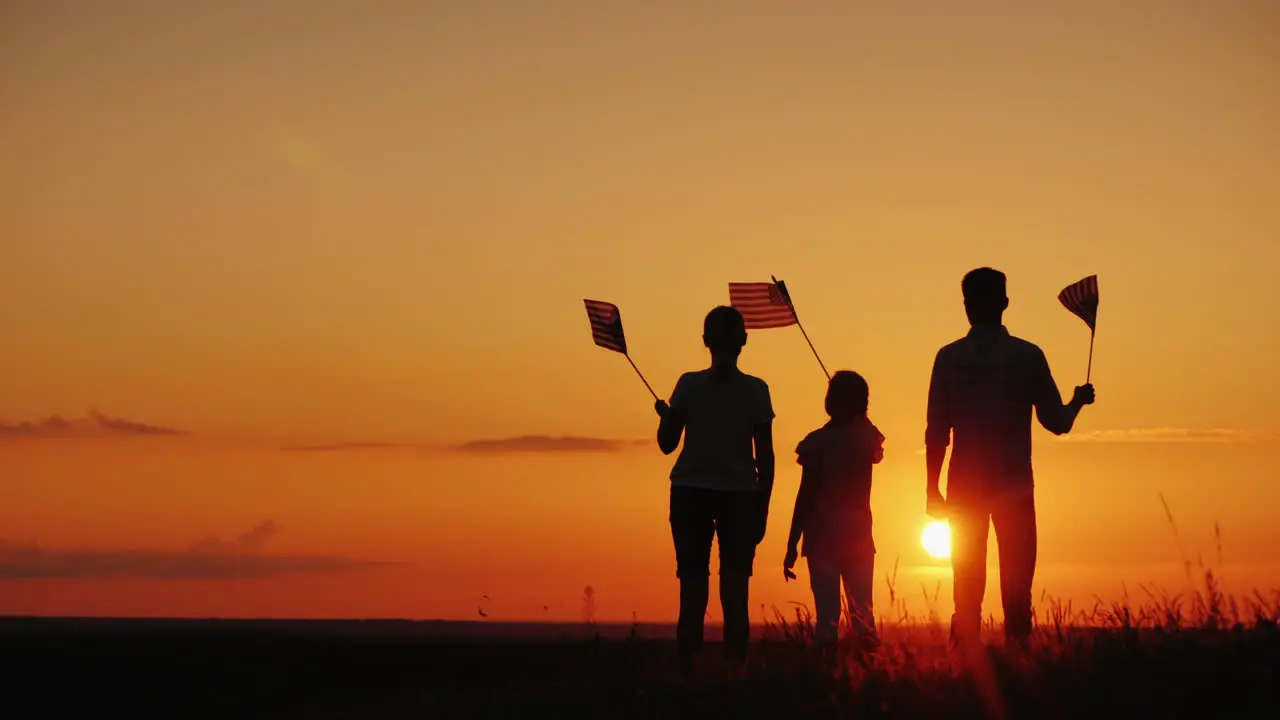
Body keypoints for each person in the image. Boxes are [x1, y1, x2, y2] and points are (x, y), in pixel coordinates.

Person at [925, 267, 1095, 651]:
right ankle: (1019, 659)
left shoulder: (949, 358)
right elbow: (1056, 422)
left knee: (966, 582)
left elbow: (937, 431)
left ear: (967, 306)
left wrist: (931, 488)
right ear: (1004, 304)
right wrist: (1078, 403)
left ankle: (965, 665)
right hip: (1014, 484)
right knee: (1017, 581)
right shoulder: (1027, 355)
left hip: (964, 485)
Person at [655, 305, 776, 662]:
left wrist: (669, 418)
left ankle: (692, 675)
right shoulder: (754, 390)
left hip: (700, 495)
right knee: (730, 592)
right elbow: (765, 458)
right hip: (730, 497)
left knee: (698, 591)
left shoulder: (690, 385)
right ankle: (729, 677)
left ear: (705, 341)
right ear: (744, 342)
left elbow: (665, 443)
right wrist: (762, 507)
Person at [783, 370, 884, 658]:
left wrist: (793, 541)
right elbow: (875, 446)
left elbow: (805, 495)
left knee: (827, 616)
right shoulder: (866, 438)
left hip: (822, 538)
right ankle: (867, 675)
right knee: (863, 614)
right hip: (859, 537)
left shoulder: (816, 443)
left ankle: (826, 673)